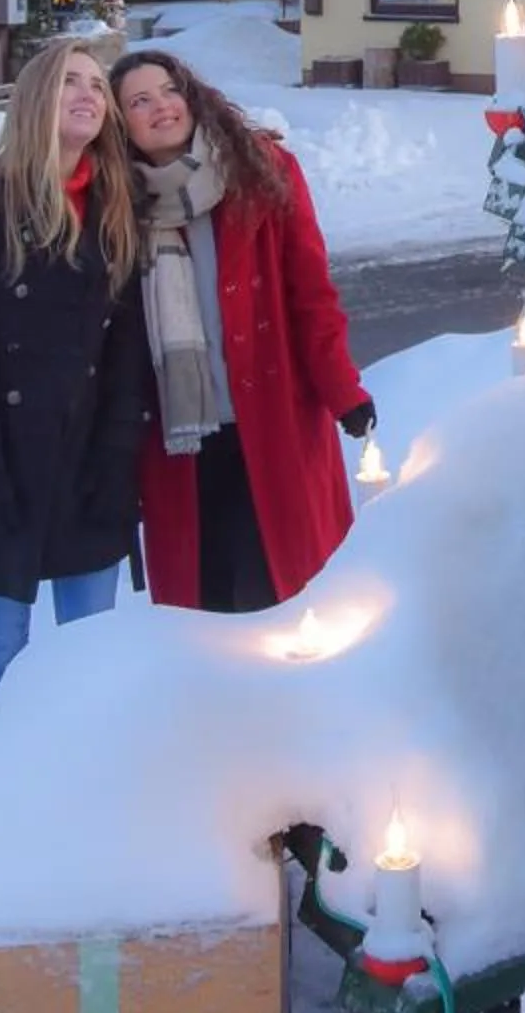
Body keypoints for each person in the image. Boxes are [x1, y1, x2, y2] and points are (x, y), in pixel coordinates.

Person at [0, 39, 149, 730]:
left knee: (89, 640)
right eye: (71, 81)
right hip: (0, 454)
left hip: (86, 454)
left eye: (97, 86)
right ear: (38, 95)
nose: (89, 95)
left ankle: (76, 773)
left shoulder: (115, 203)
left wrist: (116, 455)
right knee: (1, 640)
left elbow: (127, 349)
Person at [111, 50, 374, 612]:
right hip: (179, 442)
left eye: (169, 90)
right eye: (139, 101)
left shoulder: (262, 171)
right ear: (121, 123)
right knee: (205, 610)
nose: (161, 107)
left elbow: (312, 295)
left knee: (289, 600)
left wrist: (342, 390)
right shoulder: (116, 207)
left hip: (273, 424)